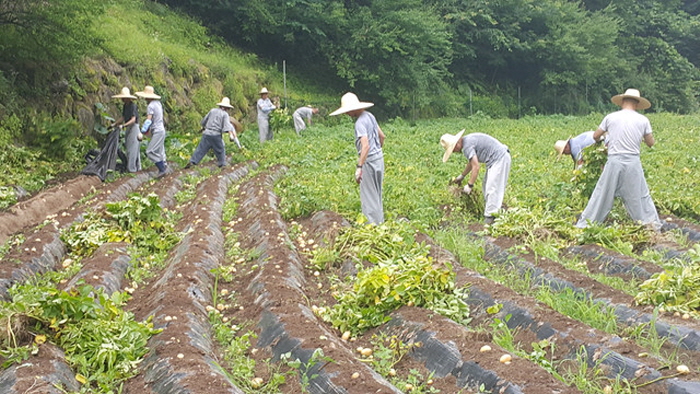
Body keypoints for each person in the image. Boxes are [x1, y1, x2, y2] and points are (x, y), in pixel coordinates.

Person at [575, 88, 661, 230]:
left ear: (622, 102)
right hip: (633, 162)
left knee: (602, 194)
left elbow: (595, 136)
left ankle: (586, 225)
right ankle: (649, 225)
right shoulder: (643, 120)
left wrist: (608, 135)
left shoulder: (611, 117)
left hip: (614, 161)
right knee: (640, 195)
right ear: (637, 104)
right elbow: (651, 143)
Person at [330, 93, 386, 224]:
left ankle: (373, 228)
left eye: (347, 111)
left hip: (369, 162)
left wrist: (359, 167)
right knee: (376, 194)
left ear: (352, 109)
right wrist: (377, 151)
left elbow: (365, 146)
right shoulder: (370, 116)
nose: (347, 114)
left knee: (368, 197)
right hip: (379, 159)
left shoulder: (360, 122)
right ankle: (381, 224)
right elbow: (382, 136)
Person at [441, 130, 511, 224]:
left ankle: (490, 218)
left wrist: (470, 185)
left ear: (456, 144)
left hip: (499, 158)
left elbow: (476, 166)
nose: (455, 152)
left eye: (453, 150)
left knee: (492, 188)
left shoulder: (467, 146)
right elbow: (471, 162)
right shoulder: (468, 141)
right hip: (495, 160)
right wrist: (461, 176)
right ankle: (496, 210)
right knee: (486, 185)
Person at [185, 97, 239, 169]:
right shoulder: (225, 114)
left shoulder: (212, 111)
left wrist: (204, 127)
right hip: (216, 135)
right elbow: (227, 126)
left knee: (201, 149)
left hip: (206, 133)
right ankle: (222, 164)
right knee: (220, 150)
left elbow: (204, 121)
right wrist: (230, 134)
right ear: (227, 108)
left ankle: (193, 162)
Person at [136, 85, 168, 178]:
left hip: (157, 130)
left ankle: (162, 169)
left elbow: (149, 120)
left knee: (150, 151)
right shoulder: (158, 103)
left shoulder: (150, 106)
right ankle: (164, 164)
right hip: (161, 129)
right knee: (160, 150)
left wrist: (142, 131)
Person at [110, 87, 141, 173]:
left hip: (134, 128)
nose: (122, 99)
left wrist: (123, 125)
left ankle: (132, 169)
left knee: (133, 149)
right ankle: (134, 168)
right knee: (129, 147)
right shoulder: (125, 106)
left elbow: (133, 119)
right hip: (128, 128)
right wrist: (115, 123)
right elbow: (123, 117)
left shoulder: (133, 106)